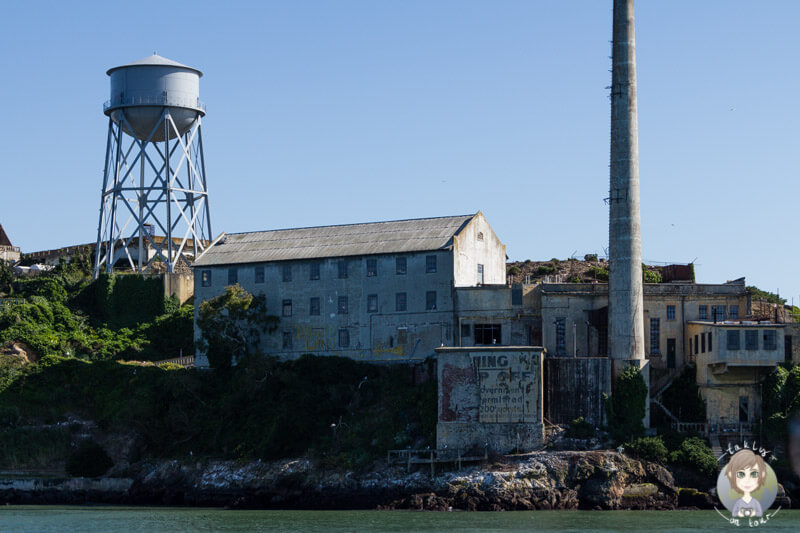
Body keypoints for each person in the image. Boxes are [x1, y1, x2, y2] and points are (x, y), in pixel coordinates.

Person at [725, 449, 767, 517]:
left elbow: (760, 513)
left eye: (754, 474)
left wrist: (753, 513)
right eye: (741, 474)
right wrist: (740, 514)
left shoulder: (755, 502)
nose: (747, 480)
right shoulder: (738, 502)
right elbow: (734, 514)